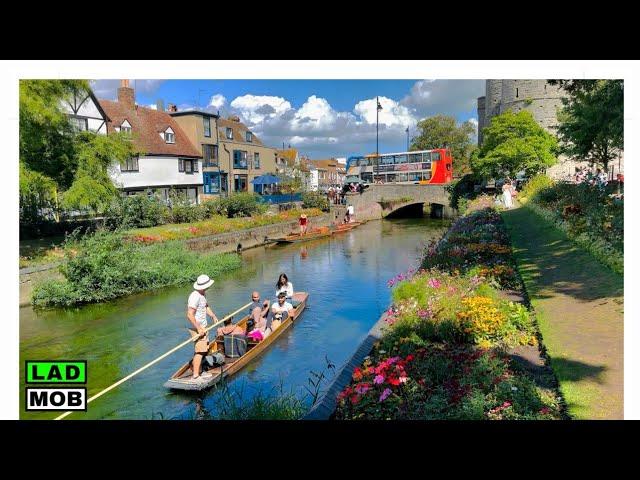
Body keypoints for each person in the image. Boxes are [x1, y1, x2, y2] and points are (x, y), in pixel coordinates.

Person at [186, 274, 219, 380]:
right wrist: (199, 328)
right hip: (198, 328)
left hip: (204, 327)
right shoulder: (195, 296)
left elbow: (205, 306)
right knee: (199, 351)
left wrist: (213, 316)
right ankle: (196, 375)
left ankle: (202, 370)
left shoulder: (203, 294)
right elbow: (189, 315)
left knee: (205, 349)